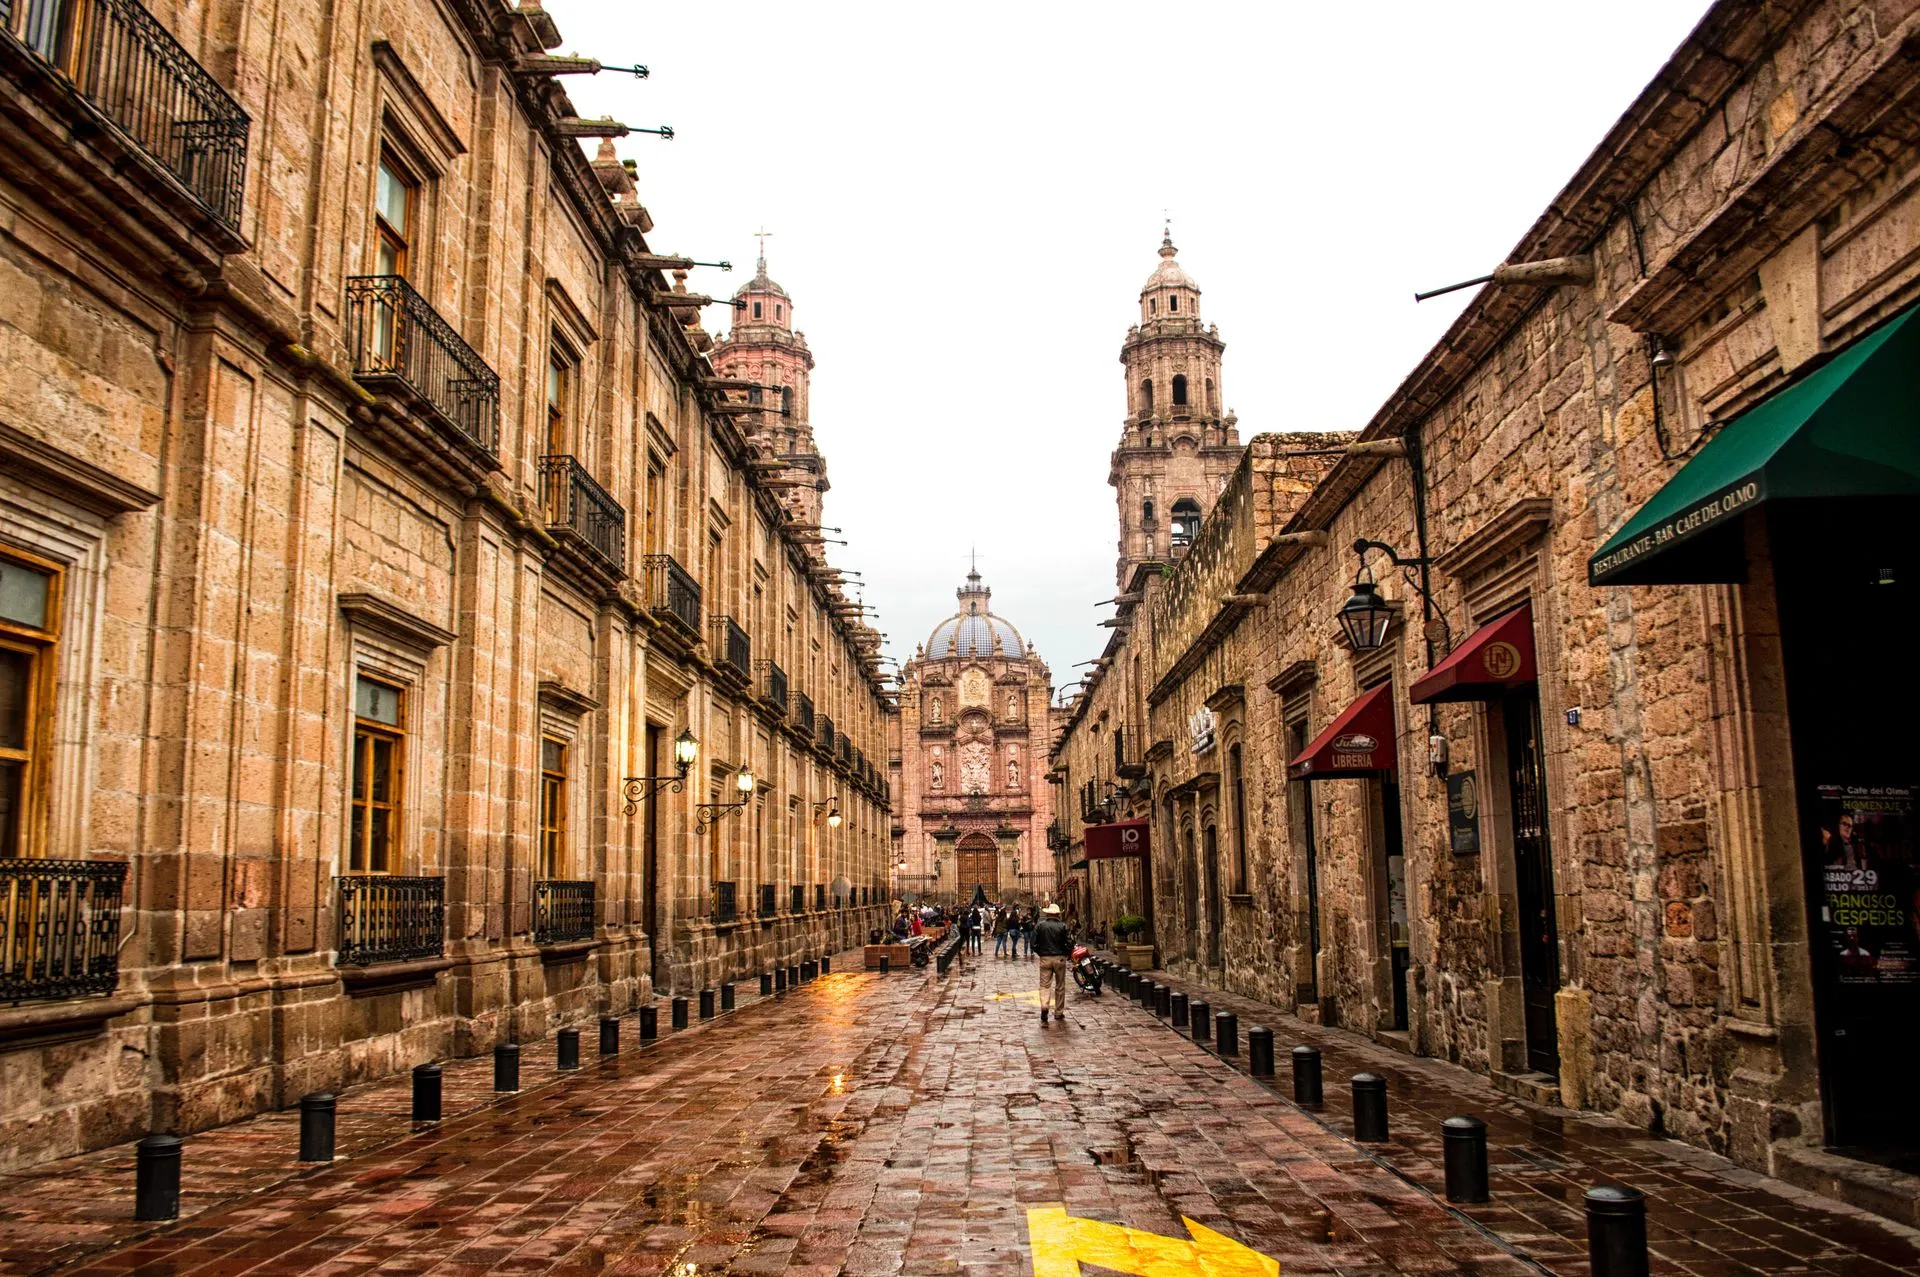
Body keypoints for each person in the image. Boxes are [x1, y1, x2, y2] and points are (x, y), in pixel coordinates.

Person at [1033, 903, 1071, 1024]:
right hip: (1059, 958)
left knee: (1044, 985)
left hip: (1045, 958)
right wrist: (1065, 953)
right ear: (1058, 914)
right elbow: (1069, 943)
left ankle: (1044, 1007)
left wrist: (1041, 953)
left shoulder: (1040, 926)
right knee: (1060, 986)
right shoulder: (1063, 926)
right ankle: (1058, 1012)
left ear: (1047, 913)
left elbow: (1033, 944)